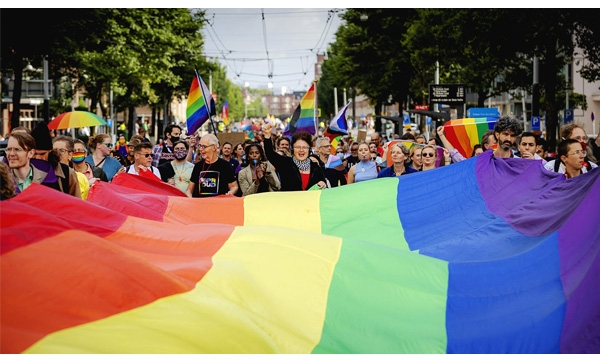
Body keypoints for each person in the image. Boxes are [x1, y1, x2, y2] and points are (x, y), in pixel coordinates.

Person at [262, 122, 327, 191]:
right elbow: (270, 153)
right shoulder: (285, 163)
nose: (301, 150)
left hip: (310, 201)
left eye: (304, 147)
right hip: (289, 201)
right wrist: (267, 135)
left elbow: (323, 181)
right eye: (298, 147)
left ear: (309, 149)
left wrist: (323, 183)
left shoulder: (315, 167)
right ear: (293, 149)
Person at [30, 122, 81, 198]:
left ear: (50, 151)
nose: (38, 158)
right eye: (34, 154)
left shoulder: (66, 173)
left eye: (42, 154)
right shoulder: (21, 170)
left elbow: (77, 204)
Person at [53, 135, 89, 200]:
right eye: (54, 151)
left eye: (61, 151)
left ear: (70, 155)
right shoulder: (47, 174)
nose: (57, 154)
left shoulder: (80, 178)